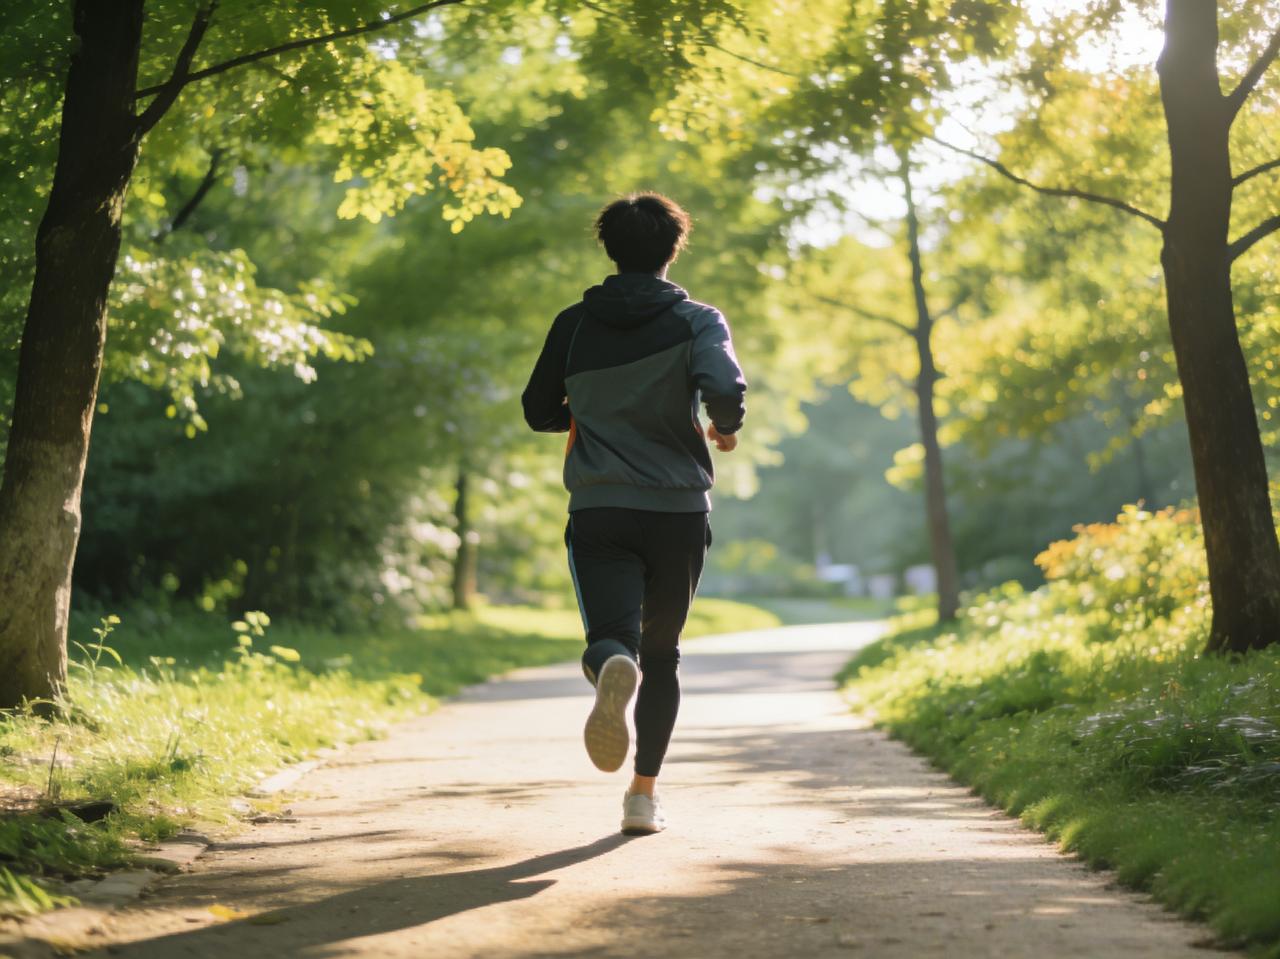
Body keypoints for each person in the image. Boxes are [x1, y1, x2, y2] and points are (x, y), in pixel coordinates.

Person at [521, 192, 747, 835]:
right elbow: (725, 390)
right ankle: (642, 797)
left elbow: (538, 409)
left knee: (612, 639)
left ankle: (611, 667)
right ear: (674, 248)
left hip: (600, 507)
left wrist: (591, 416)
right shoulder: (699, 320)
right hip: (677, 511)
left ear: (609, 247)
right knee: (665, 653)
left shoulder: (573, 323)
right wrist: (722, 427)